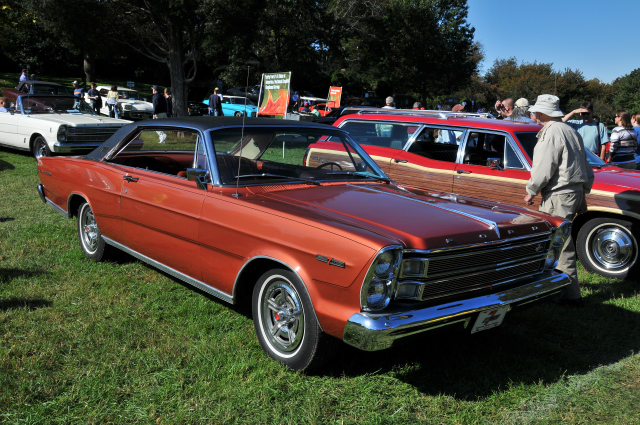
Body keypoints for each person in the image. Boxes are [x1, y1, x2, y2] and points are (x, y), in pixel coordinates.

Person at [524, 94, 594, 307]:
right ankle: (556, 289)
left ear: (542, 113)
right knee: (559, 243)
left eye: (536, 111)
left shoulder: (551, 132)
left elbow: (544, 167)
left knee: (560, 244)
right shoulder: (569, 130)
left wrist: (531, 190)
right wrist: (583, 194)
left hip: (559, 194)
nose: (533, 115)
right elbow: (585, 164)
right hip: (573, 192)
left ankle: (570, 295)